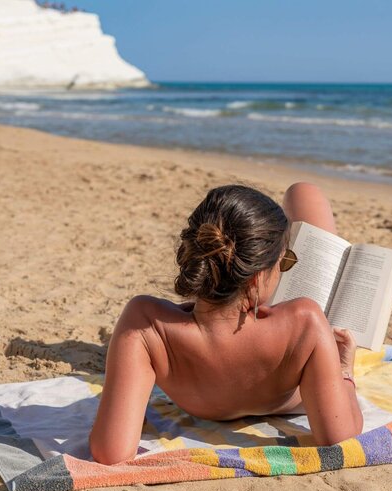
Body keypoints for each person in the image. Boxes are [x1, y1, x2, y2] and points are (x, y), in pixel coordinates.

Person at [89, 182, 363, 465]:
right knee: (304, 193)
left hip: (210, 374)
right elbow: (339, 438)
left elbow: (110, 452)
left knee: (301, 194)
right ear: (257, 279)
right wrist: (345, 372)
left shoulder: (147, 325)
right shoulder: (306, 321)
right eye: (283, 263)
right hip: (289, 360)